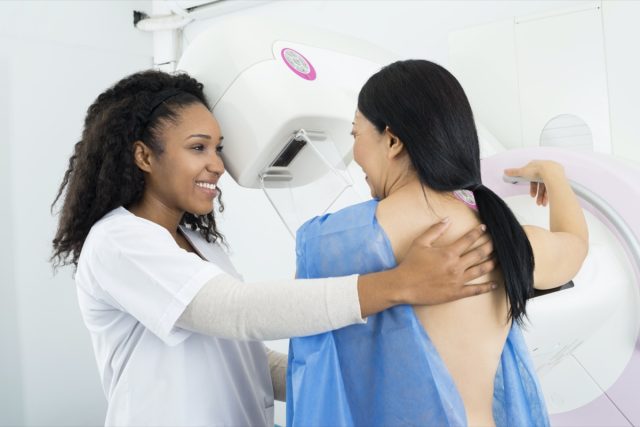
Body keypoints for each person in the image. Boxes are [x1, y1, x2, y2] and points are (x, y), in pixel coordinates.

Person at [50, 70, 497, 426]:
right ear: (144, 156)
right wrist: (400, 284)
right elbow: (234, 311)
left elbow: (246, 360)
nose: (218, 165)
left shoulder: (200, 243)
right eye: (198, 147)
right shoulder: (118, 241)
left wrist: (355, 377)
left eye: (218, 148)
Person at [287, 60, 589, 427]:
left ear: (393, 140)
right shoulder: (500, 234)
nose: (355, 156)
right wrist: (554, 176)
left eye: (356, 135)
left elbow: (307, 348)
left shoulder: (337, 241)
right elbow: (574, 246)